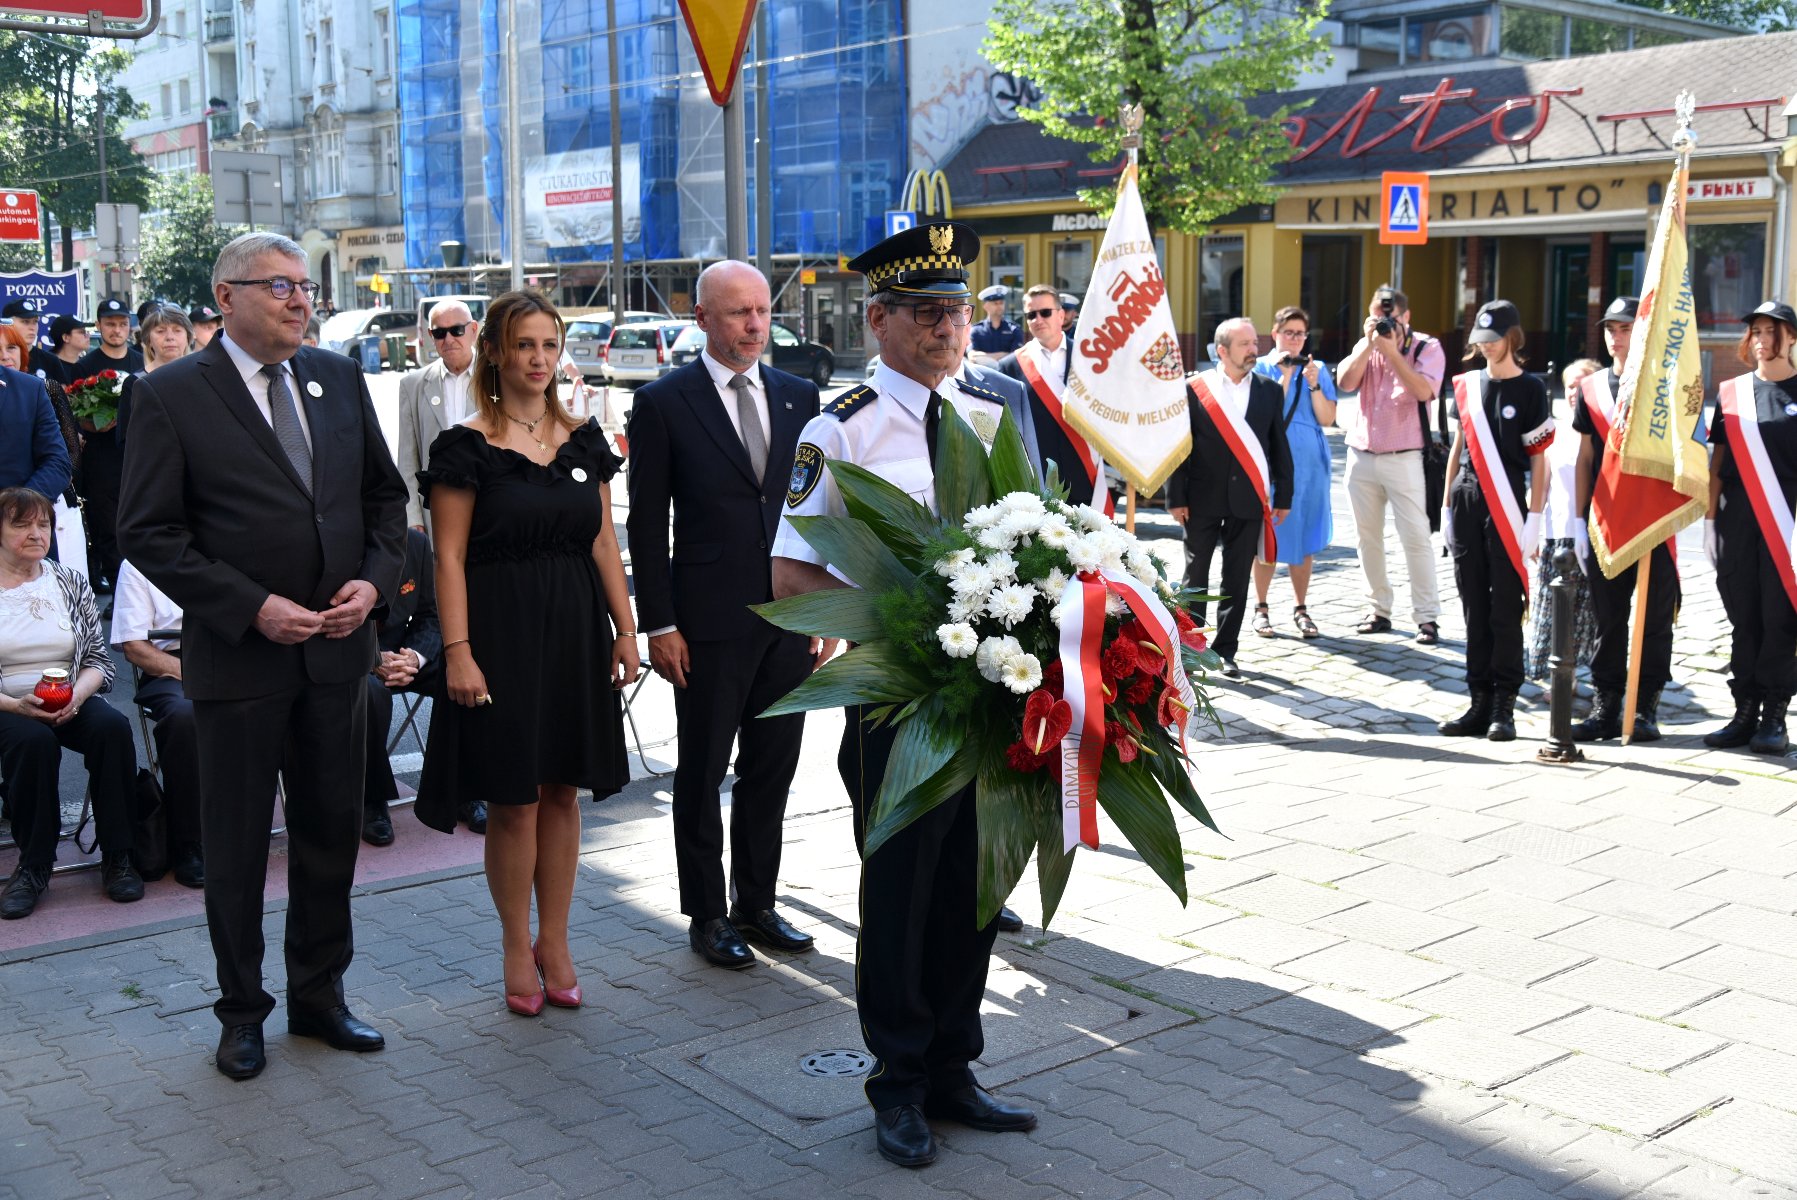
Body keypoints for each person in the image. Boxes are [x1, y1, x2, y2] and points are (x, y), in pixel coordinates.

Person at [773, 221, 1038, 1170]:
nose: (946, 328)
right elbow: (794, 574)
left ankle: (953, 1069)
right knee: (899, 889)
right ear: (878, 319)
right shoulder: (839, 428)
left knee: (974, 885)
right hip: (897, 701)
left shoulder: (987, 415)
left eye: (957, 310)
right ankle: (896, 1082)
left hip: (986, 699)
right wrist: (895, 635)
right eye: (925, 312)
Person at [116, 232, 409, 1081]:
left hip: (335, 658)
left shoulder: (338, 378)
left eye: (303, 285)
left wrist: (373, 583)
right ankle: (242, 1012)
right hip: (240, 665)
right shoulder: (171, 394)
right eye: (278, 285)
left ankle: (320, 998)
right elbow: (147, 531)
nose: (299, 298)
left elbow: (383, 502)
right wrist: (252, 607)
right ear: (226, 297)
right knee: (239, 850)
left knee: (329, 837)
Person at [413, 289, 639, 1017]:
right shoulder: (465, 445)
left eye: (549, 345)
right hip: (499, 633)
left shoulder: (584, 440)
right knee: (513, 800)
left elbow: (604, 541)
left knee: (563, 790)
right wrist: (457, 651)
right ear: (495, 355)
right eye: (524, 346)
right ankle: (516, 944)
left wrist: (627, 629)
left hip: (575, 630)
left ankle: (559, 940)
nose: (538, 360)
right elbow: (446, 559)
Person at [627, 260, 826, 970]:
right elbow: (647, 524)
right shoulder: (664, 402)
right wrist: (659, 624)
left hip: (789, 620)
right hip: (705, 623)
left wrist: (825, 605)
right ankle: (708, 914)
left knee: (772, 769)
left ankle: (758, 904)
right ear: (702, 317)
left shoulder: (801, 395)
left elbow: (816, 510)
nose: (753, 326)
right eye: (737, 313)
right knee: (702, 769)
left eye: (761, 312)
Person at [0, 487, 141, 919]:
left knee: (113, 729)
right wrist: (16, 705)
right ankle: (35, 864)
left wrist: (78, 696)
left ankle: (118, 856)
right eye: (21, 525)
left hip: (69, 696)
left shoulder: (69, 581)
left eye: (43, 524)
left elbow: (98, 658)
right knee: (33, 742)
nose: (35, 533)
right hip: (7, 703)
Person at [1438, 300, 1553, 742]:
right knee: (1473, 607)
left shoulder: (1531, 389)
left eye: (1493, 340)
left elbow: (1539, 460)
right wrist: (1447, 505)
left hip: (1508, 504)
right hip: (1468, 499)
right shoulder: (1466, 385)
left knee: (1505, 607)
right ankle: (1478, 699)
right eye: (1480, 341)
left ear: (1512, 339)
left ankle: (1505, 701)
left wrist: (1536, 518)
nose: (1485, 348)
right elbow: (1456, 447)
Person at [1168, 317, 1294, 679]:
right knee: (1195, 577)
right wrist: (1175, 497)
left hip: (1249, 500)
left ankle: (1225, 651)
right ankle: (1191, 650)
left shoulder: (1270, 390)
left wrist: (1283, 494)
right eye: (1245, 344)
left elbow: (1278, 447)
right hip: (1201, 498)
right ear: (1222, 350)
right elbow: (1181, 447)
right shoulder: (1194, 388)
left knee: (1236, 578)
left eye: (1255, 343)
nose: (1254, 349)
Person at [1571, 297, 1674, 739]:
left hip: (1654, 520)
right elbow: (1584, 457)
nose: (1616, 337)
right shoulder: (1592, 388)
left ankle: (1645, 706)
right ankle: (1606, 703)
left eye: (1625, 328)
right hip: (1605, 520)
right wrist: (1578, 521)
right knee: (1608, 619)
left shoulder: (1664, 387)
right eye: (1611, 329)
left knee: (1654, 620)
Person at [1703, 300, 1797, 754]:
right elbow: (1717, 462)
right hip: (1737, 517)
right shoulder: (1732, 393)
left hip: (1788, 522)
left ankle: (1774, 716)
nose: (1761, 340)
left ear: (1791, 338)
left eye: (1771, 331)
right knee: (1743, 618)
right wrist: (1708, 522)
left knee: (1780, 619)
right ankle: (1744, 711)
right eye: (1756, 332)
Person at [1335, 284, 1446, 644]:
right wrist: (1370, 344)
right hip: (1362, 454)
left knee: (1415, 538)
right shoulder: (1367, 343)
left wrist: (1393, 351)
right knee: (1367, 539)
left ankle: (1427, 617)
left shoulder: (1427, 347)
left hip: (1405, 456)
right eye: (1379, 317)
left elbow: (1423, 391)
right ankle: (1378, 608)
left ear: (1406, 317)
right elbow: (1345, 381)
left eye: (1392, 318)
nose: (1385, 324)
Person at [111, 558, 205, 888]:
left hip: (238, 657)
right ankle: (189, 841)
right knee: (185, 715)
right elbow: (135, 648)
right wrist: (197, 676)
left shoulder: (234, 540)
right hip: (171, 665)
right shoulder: (139, 562)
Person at [1250, 305, 1336, 639]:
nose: (1295, 340)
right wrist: (1284, 377)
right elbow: (1267, 414)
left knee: (1304, 537)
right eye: (1289, 333)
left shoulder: (1318, 369)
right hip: (1274, 465)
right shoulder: (1262, 367)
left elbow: (1327, 418)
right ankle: (1261, 607)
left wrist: (1314, 385)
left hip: (1311, 466)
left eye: (1301, 334)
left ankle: (1301, 607)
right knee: (1269, 536)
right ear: (1275, 334)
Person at [362, 527, 447, 845]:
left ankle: (462, 790)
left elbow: (431, 614)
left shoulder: (415, 543)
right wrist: (371, 659)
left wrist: (415, 657)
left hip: (401, 651)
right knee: (370, 694)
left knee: (462, 674)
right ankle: (372, 803)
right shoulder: (335, 541)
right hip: (347, 655)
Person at [995, 282, 1110, 512]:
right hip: (1037, 485)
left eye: (1045, 312)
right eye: (1030, 315)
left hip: (1084, 476)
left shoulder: (1089, 359)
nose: (1038, 319)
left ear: (1061, 315)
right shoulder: (1010, 366)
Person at [1525, 358, 1598, 686]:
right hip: (1557, 537)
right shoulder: (1552, 431)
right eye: (1570, 385)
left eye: (1582, 385)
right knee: (1554, 614)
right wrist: (1533, 529)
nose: (1575, 392)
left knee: (1588, 616)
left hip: (1594, 537)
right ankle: (1558, 682)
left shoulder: (1603, 432)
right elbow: (1540, 484)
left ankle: (1592, 678)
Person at [71, 298, 142, 593]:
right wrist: (87, 423)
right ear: (98, 326)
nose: (116, 330)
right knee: (107, 525)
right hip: (101, 456)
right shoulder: (84, 365)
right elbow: (70, 410)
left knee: (139, 521)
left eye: (122, 324)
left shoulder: (140, 362)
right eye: (110, 324)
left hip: (136, 454)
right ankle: (117, 589)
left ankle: (142, 590)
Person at [397, 300, 479, 539]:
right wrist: (413, 519)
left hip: (490, 510)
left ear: (473, 330)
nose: (449, 339)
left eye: (457, 330)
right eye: (440, 333)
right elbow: (407, 460)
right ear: (431, 336)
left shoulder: (498, 378)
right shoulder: (412, 385)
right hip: (435, 518)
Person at [116, 303, 194, 444]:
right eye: (160, 331)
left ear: (188, 337)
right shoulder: (135, 383)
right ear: (148, 340)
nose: (170, 337)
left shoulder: (201, 378)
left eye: (177, 330)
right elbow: (126, 440)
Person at [968, 283, 1026, 361]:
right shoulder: (976, 330)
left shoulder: (1014, 329)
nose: (999, 306)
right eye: (995, 303)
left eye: (1001, 303)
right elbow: (972, 357)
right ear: (985, 306)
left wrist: (985, 356)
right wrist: (1003, 354)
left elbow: (1016, 357)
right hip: (984, 372)